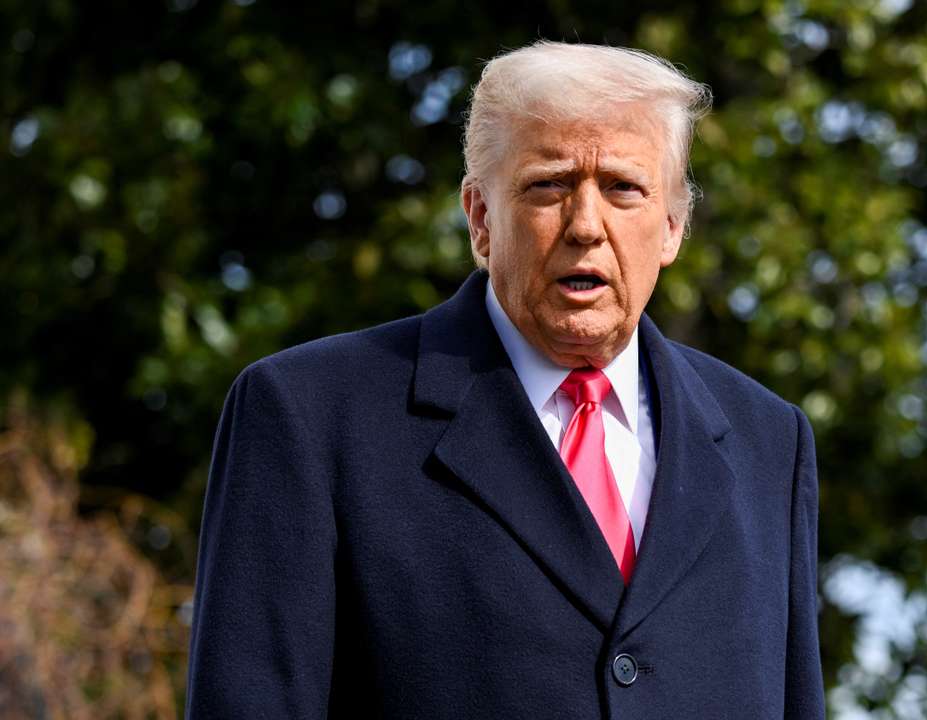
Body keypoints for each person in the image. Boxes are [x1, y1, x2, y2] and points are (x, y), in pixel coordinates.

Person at [184, 40, 823, 719]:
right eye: (549, 185)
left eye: (622, 189)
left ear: (671, 227)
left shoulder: (768, 441)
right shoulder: (309, 414)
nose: (586, 226)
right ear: (481, 217)